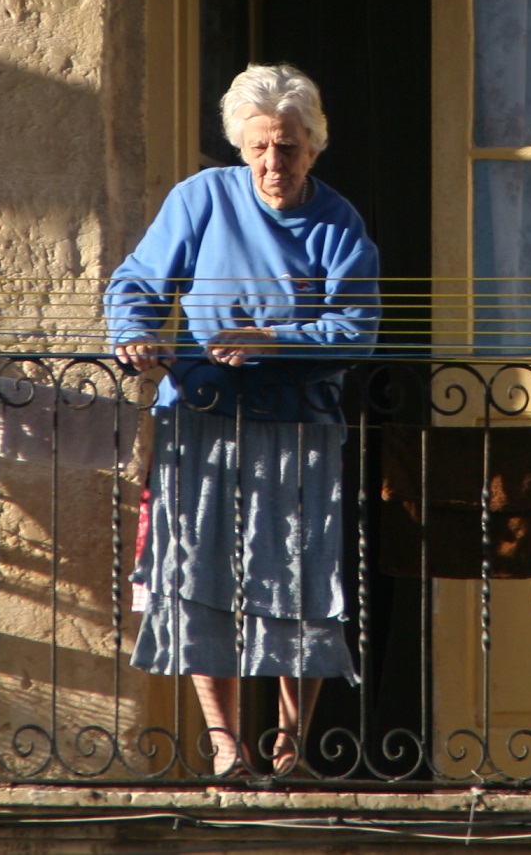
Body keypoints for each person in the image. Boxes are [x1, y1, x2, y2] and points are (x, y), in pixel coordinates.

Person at [105, 63, 381, 777]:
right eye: (258, 146)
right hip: (199, 418)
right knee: (200, 574)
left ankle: (290, 747)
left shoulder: (338, 223)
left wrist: (276, 339)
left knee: (298, 580)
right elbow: (136, 281)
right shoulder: (200, 199)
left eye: (287, 147)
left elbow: (357, 330)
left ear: (313, 146)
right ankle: (225, 744)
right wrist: (134, 330)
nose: (271, 162)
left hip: (298, 428)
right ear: (240, 145)